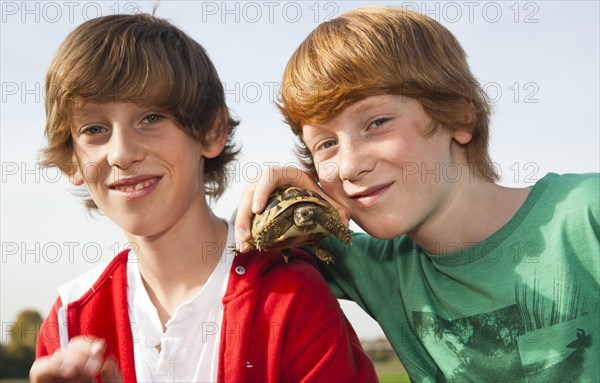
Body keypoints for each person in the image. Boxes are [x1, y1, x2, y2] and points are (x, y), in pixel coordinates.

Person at [235, 6, 600, 382]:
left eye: (377, 123)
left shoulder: (585, 215)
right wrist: (277, 200)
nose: (348, 166)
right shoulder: (372, 266)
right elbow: (225, 254)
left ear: (459, 115)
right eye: (326, 144)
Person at [29, 13, 378, 383]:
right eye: (94, 129)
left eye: (150, 118)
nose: (121, 153)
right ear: (72, 160)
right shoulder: (68, 321)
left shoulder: (289, 294)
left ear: (213, 130)